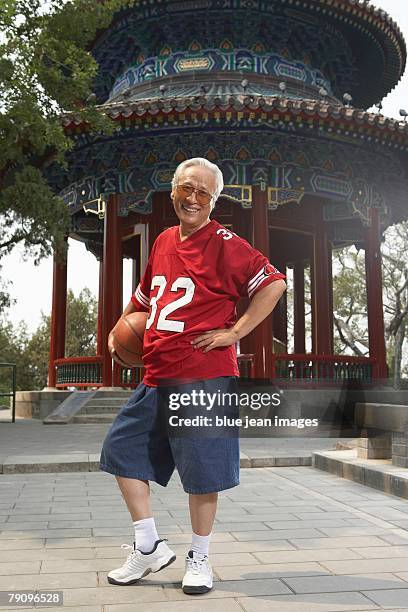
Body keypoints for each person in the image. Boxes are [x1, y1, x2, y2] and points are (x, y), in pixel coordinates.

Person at [99, 157, 286, 595]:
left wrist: (236, 332)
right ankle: (147, 546)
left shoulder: (225, 242)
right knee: (120, 451)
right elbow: (144, 298)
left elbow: (274, 283)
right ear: (173, 191)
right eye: (187, 188)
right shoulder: (164, 239)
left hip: (204, 376)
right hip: (156, 375)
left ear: (214, 200)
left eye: (203, 192)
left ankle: (199, 556)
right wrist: (118, 328)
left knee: (203, 474)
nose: (193, 198)